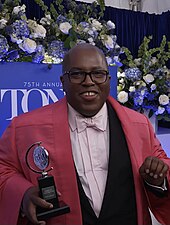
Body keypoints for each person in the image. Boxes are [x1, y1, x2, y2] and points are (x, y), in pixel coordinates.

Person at [0, 43, 170, 225]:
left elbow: (162, 167)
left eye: (98, 73)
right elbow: (3, 169)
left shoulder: (139, 124)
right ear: (62, 81)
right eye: (77, 74)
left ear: (108, 79)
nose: (89, 81)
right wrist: (23, 193)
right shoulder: (24, 127)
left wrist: (158, 180)